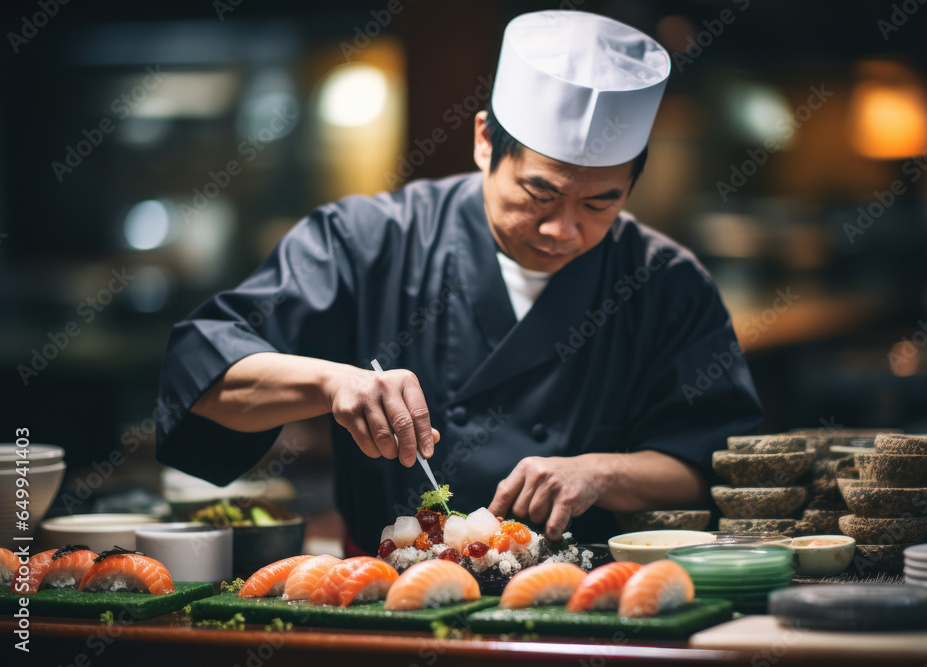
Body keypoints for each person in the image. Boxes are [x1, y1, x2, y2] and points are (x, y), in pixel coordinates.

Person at [155, 10, 762, 554]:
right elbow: (201, 372)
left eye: (601, 203)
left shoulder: (665, 282)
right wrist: (330, 382)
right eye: (539, 192)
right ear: (482, 142)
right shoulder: (367, 239)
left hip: (595, 606)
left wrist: (602, 473)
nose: (563, 228)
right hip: (390, 599)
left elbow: (717, 464)